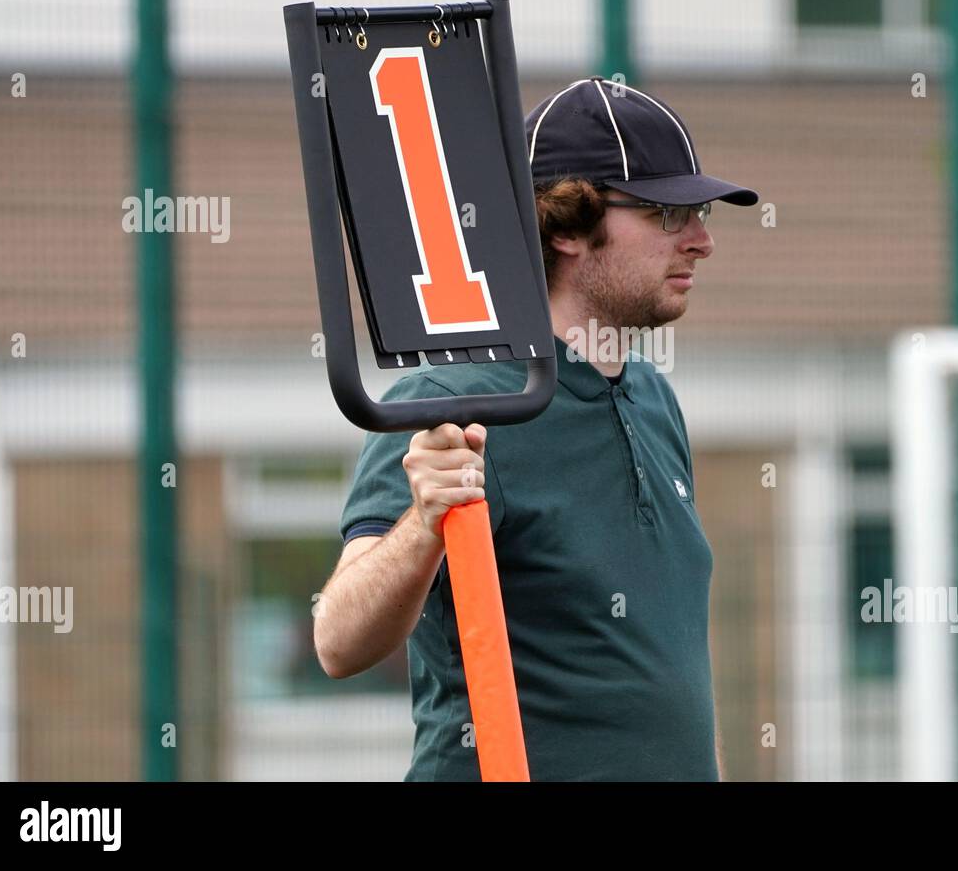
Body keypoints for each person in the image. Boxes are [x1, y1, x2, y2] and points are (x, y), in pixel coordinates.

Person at [315, 76, 758, 780]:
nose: (701, 241)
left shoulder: (653, 399)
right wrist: (426, 521)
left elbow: (671, 674)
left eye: (699, 211)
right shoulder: (450, 401)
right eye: (666, 214)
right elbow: (337, 640)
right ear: (565, 227)